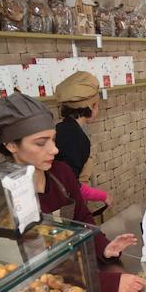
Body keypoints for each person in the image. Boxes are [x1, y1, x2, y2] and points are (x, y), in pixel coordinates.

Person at [0, 93, 146, 292]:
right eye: (41, 143)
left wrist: (104, 248)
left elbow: (82, 220)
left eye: (53, 139)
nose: (54, 149)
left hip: (76, 274)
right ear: (11, 145)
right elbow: (28, 266)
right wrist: (104, 284)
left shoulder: (61, 173)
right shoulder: (0, 196)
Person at [53, 71, 111, 205]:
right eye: (97, 104)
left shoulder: (61, 128)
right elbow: (70, 185)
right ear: (92, 106)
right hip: (67, 205)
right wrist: (102, 196)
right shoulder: (76, 139)